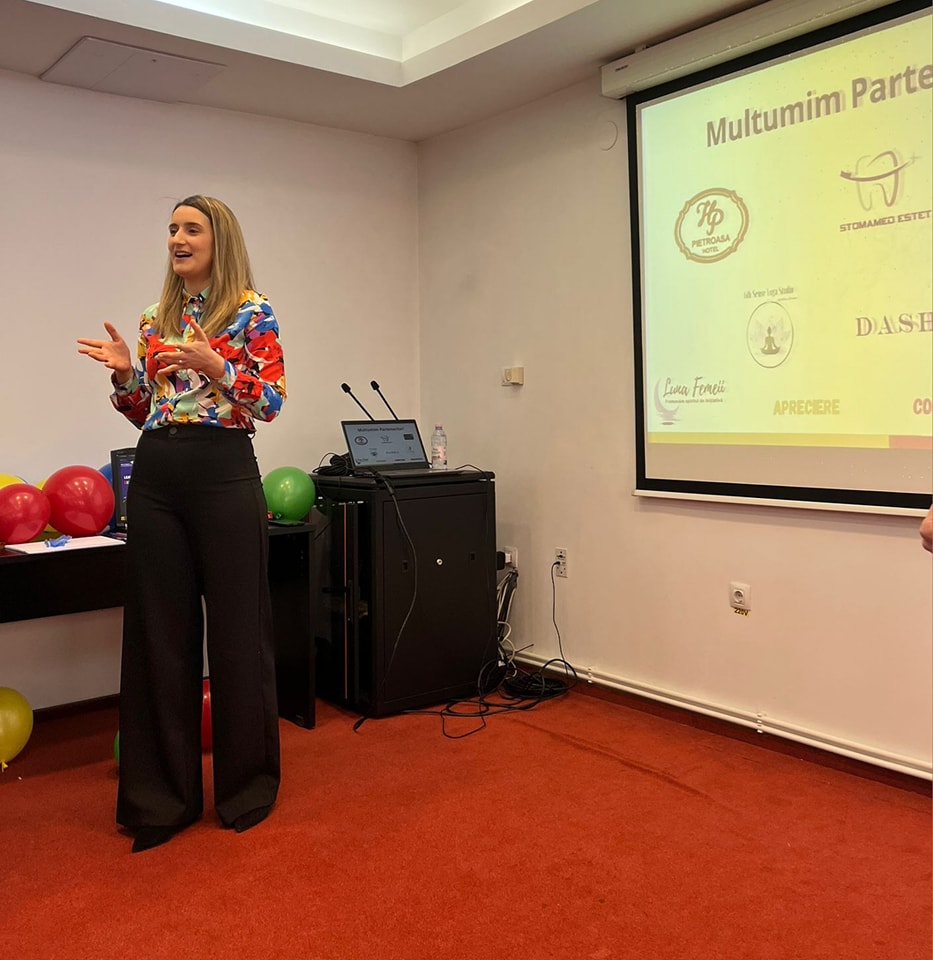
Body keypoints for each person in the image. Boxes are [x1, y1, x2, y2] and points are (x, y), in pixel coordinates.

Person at [78, 195, 286, 853]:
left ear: (218, 240)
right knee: (158, 636)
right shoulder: (154, 319)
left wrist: (218, 367)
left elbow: (272, 402)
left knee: (237, 634)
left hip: (224, 471)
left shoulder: (251, 311)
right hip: (159, 474)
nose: (178, 238)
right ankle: (161, 802)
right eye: (172, 229)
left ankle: (246, 789)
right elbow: (148, 410)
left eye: (191, 228)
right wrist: (124, 378)